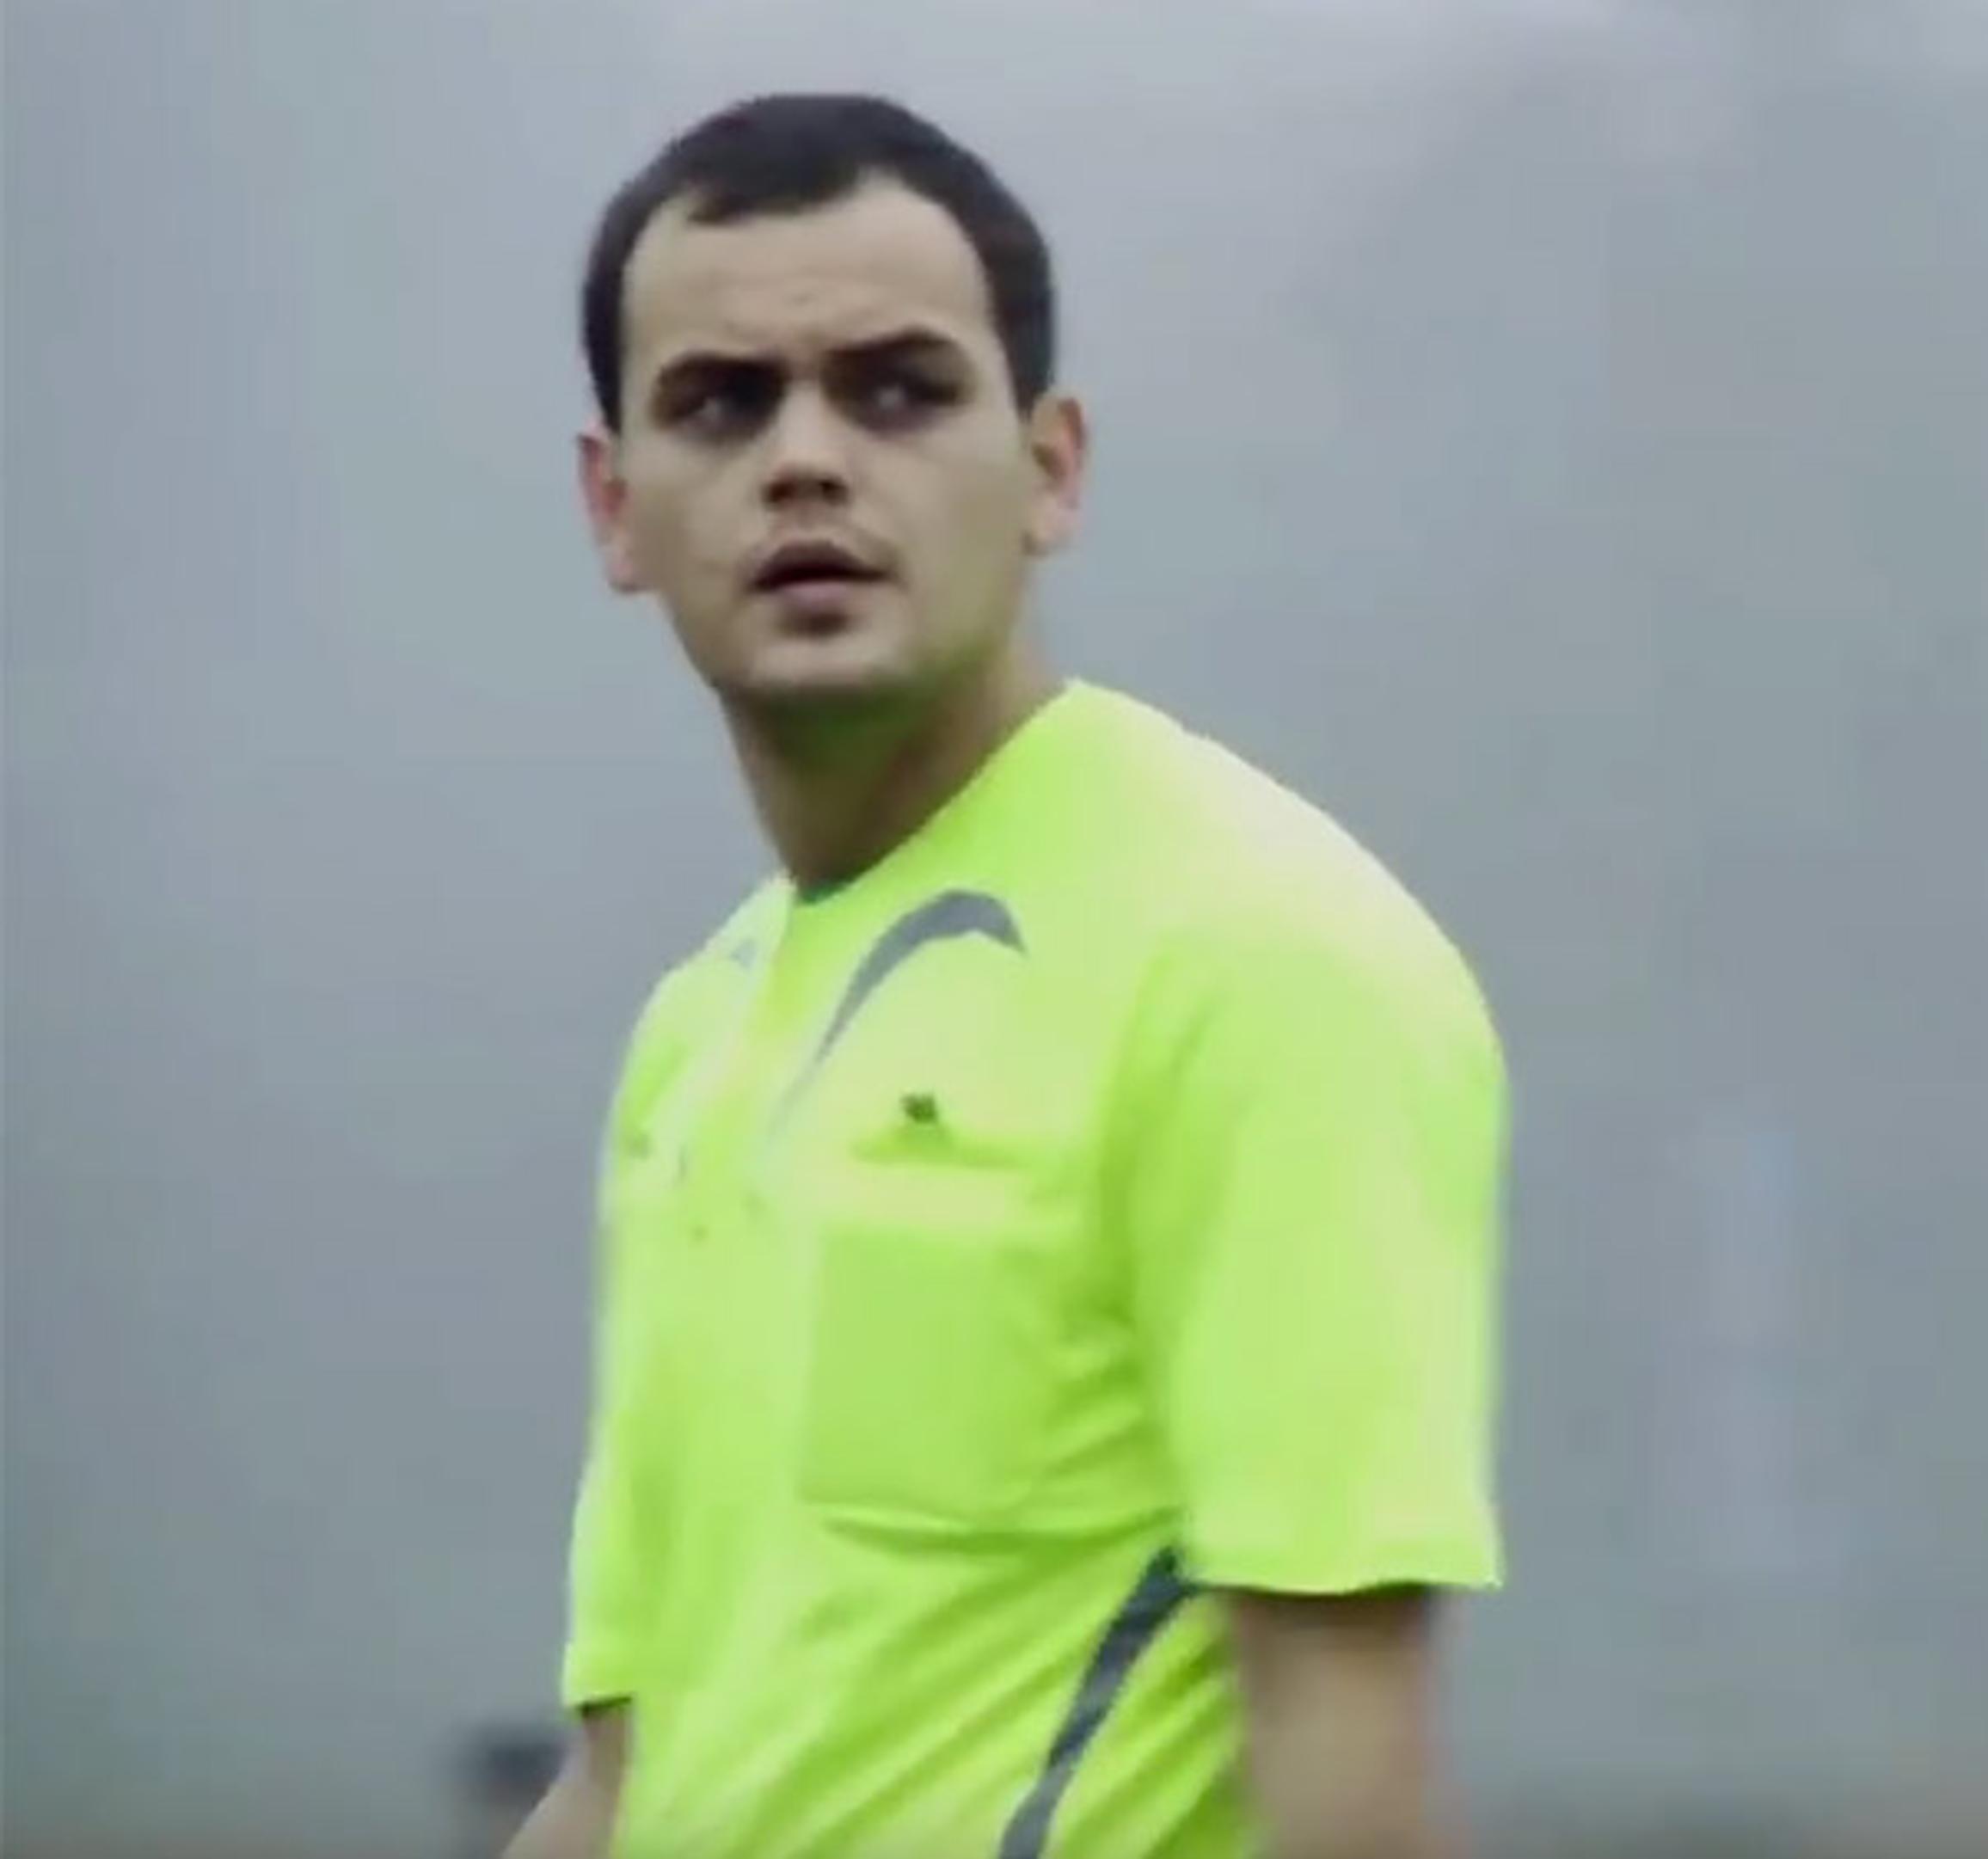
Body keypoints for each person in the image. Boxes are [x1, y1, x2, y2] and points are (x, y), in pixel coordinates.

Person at [506, 93, 1509, 1859]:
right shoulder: (699, 1029)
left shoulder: (1255, 956)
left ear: (1051, 468)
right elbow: (627, 1774)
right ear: (614, 507)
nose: (807, 460)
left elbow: (1346, 1764)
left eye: (897, 390)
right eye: (722, 404)